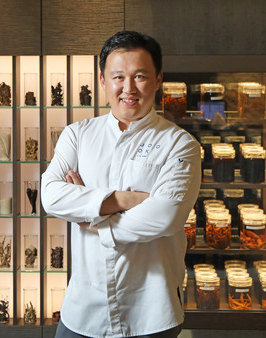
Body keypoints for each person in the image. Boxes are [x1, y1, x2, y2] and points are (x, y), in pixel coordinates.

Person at [41, 30, 201, 338]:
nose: (128, 88)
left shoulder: (180, 145)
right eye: (117, 77)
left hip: (151, 313)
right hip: (82, 312)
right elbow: (51, 197)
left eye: (140, 76)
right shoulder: (77, 135)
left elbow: (165, 217)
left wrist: (95, 218)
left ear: (157, 80)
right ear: (102, 81)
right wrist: (124, 200)